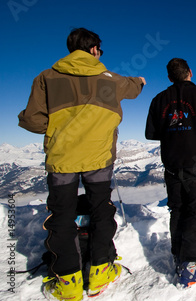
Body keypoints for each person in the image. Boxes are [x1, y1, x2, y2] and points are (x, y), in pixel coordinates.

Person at [18, 27, 146, 300]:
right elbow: (134, 87)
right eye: (99, 50)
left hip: (62, 158)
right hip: (99, 158)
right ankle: (100, 271)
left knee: (61, 215)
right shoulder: (110, 80)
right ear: (94, 50)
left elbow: (31, 119)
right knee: (101, 209)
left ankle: (68, 282)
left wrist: (58, 129)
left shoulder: (47, 77)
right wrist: (141, 80)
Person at [145, 58, 196, 287]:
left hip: (172, 167)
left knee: (177, 210)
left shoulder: (159, 99)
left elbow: (151, 133)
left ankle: (179, 257)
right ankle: (190, 265)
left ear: (169, 77)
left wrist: (173, 129)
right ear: (190, 72)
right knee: (194, 213)